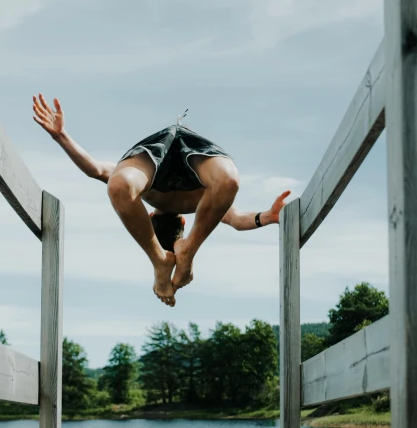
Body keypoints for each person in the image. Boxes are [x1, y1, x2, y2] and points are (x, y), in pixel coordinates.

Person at [32, 94, 291, 307]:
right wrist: (265, 217)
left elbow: (96, 169)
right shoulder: (201, 204)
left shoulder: (186, 200)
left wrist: (268, 216)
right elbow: (237, 219)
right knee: (227, 182)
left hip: (157, 160)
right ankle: (187, 250)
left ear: (152, 218)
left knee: (120, 185)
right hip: (192, 159)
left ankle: (160, 259)